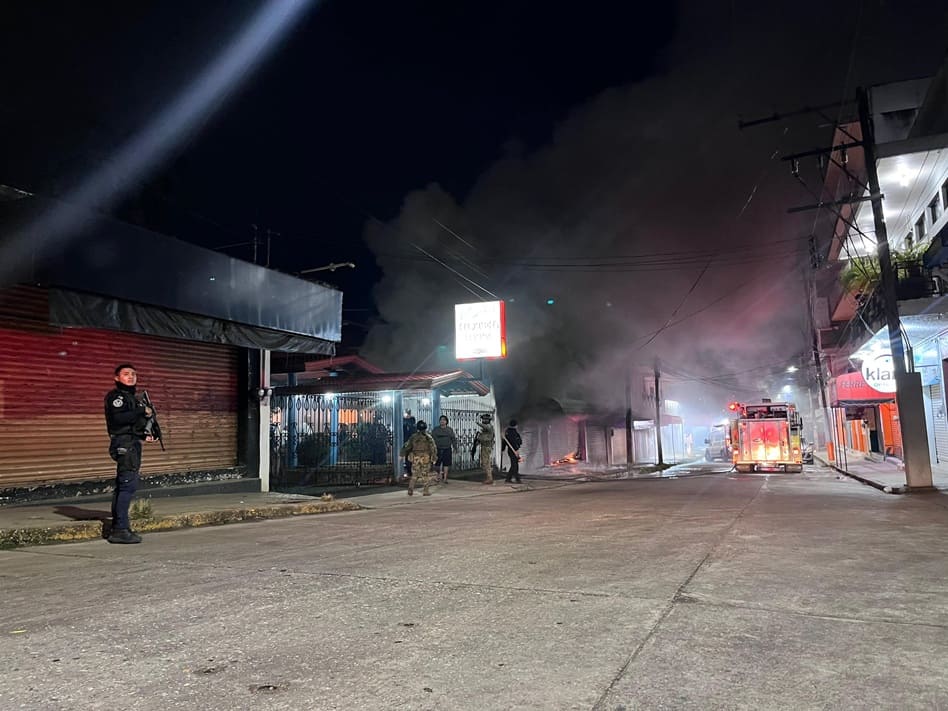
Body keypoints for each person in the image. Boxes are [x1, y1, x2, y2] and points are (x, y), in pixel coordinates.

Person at [103, 363, 155, 544]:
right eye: (126, 374)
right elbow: (119, 419)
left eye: (133, 374)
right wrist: (142, 410)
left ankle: (120, 526)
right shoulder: (117, 397)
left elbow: (131, 423)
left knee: (124, 485)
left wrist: (145, 433)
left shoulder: (131, 398)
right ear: (117, 378)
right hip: (125, 443)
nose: (131, 377)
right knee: (127, 485)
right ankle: (120, 529)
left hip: (130, 441)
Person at [401, 420, 437, 496]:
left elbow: (407, 446)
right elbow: (433, 448)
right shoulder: (428, 437)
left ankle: (410, 489)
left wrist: (402, 454)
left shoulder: (413, 437)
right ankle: (425, 491)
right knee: (425, 474)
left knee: (414, 474)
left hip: (416, 457)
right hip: (425, 457)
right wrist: (434, 458)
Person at [430, 415, 458, 483]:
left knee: (446, 464)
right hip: (438, 449)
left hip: (447, 449)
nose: (442, 421)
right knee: (437, 464)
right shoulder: (436, 430)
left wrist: (455, 448)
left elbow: (453, 439)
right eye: (441, 420)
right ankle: (438, 477)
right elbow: (431, 439)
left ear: (446, 421)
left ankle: (445, 478)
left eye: (444, 420)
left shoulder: (449, 430)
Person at [471, 412, 496, 485]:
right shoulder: (485, 429)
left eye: (484, 419)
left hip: (486, 447)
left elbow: (486, 427)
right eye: (483, 419)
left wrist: (478, 423)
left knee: (486, 463)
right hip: (484, 446)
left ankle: (489, 478)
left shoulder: (489, 427)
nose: (483, 420)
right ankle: (489, 477)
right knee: (485, 462)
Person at [503, 419, 523, 484]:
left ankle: (508, 478)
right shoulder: (512, 432)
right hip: (513, 450)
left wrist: (503, 448)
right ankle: (517, 479)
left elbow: (504, 442)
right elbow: (515, 441)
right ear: (515, 425)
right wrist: (517, 448)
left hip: (513, 450)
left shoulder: (509, 431)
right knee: (515, 465)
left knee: (514, 465)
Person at [402, 409, 416, 478]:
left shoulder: (412, 421)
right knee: (407, 458)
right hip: (406, 442)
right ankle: (409, 471)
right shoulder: (403, 421)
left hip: (412, 442)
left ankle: (412, 471)